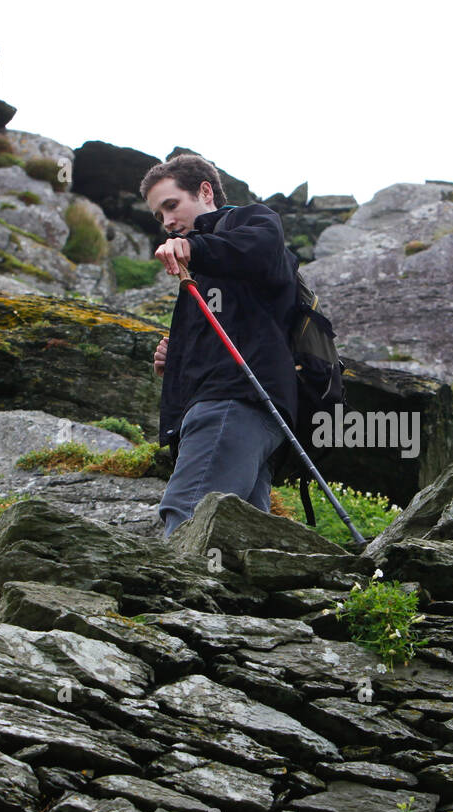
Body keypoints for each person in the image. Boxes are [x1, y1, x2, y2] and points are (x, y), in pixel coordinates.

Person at [140, 154, 298, 537]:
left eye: (171, 206)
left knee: (188, 511)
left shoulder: (250, 222)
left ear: (205, 191)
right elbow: (226, 330)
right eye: (159, 217)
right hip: (249, 406)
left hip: (234, 399)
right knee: (241, 531)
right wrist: (173, 358)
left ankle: (176, 594)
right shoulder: (202, 268)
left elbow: (256, 249)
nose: (168, 223)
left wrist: (195, 250)